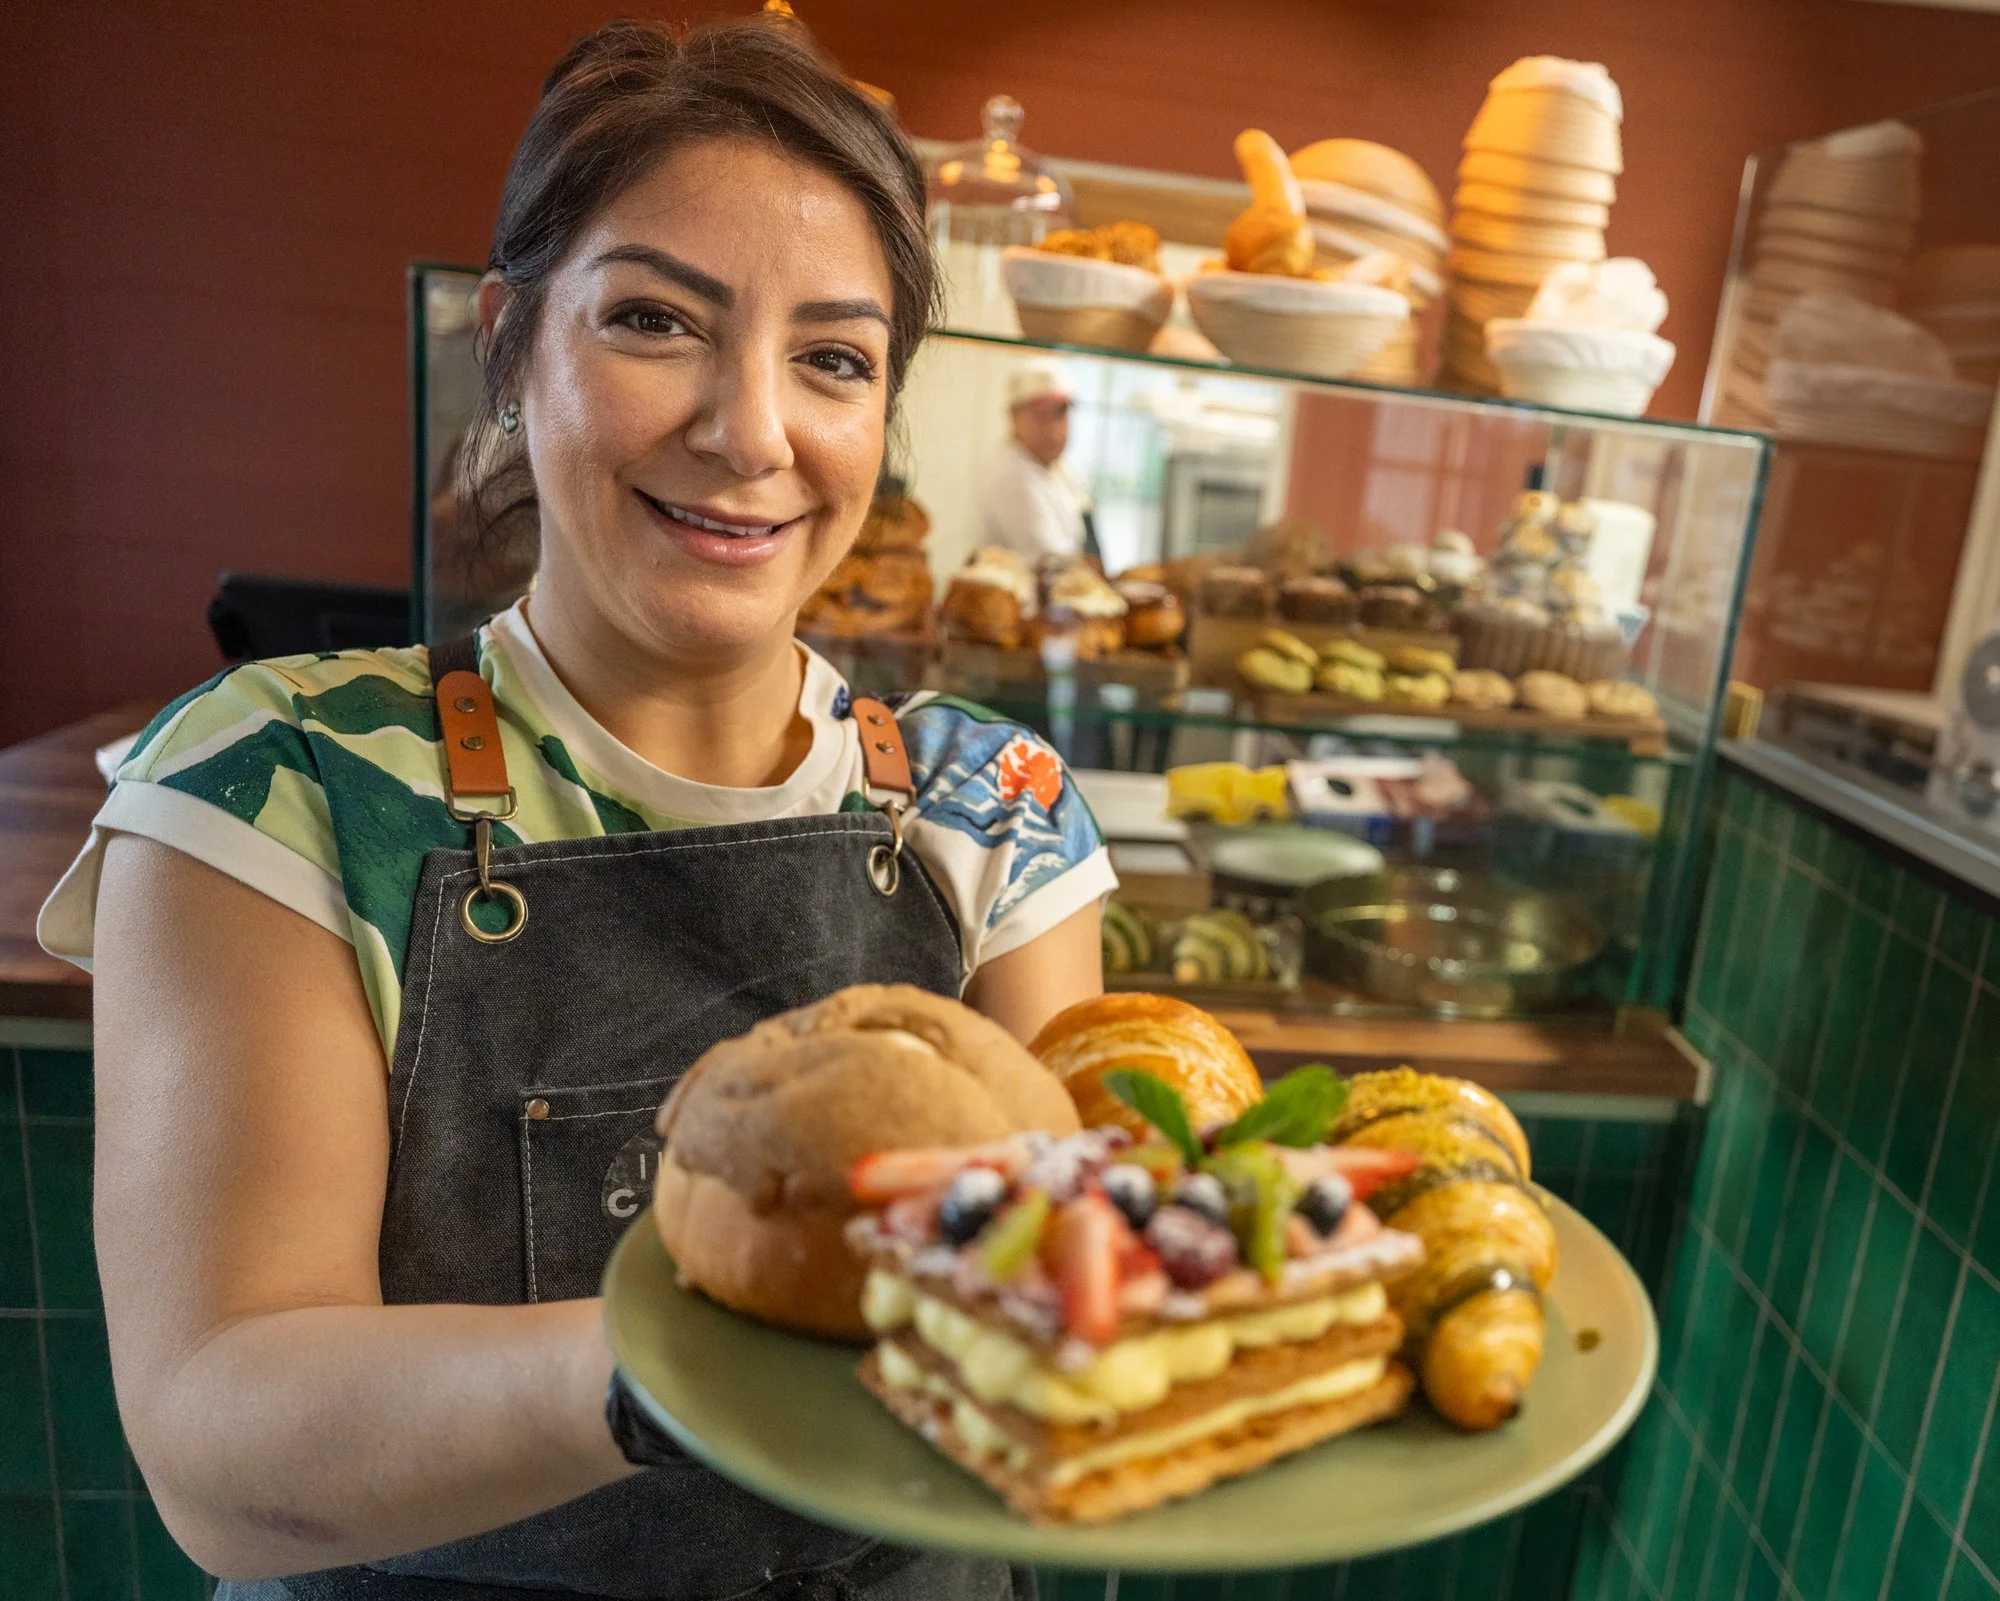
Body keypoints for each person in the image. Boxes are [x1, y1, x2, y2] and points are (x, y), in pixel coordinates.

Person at [38, 18, 1112, 1600]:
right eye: (657, 320)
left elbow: (1060, 1329)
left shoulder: (991, 803)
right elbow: (224, 1451)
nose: (750, 433)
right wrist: (685, 1359)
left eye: (833, 357)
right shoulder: (277, 781)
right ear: (513, 346)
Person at [977, 363, 1098, 564]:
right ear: (1014, 415)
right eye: (1041, 415)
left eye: (1060, 413)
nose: (1054, 429)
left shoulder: (1056, 469)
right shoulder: (1012, 476)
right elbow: (1051, 560)